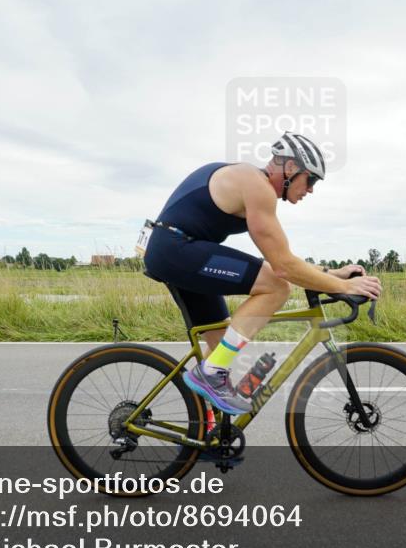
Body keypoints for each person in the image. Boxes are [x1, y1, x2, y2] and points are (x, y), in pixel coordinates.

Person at [143, 132, 382, 415]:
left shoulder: (252, 183)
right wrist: (347, 288)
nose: (312, 190)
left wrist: (335, 274)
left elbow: (280, 259)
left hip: (176, 249)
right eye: (312, 180)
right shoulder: (257, 186)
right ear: (291, 168)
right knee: (277, 287)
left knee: (220, 346)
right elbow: (283, 268)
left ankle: (206, 431)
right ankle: (209, 374)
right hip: (176, 249)